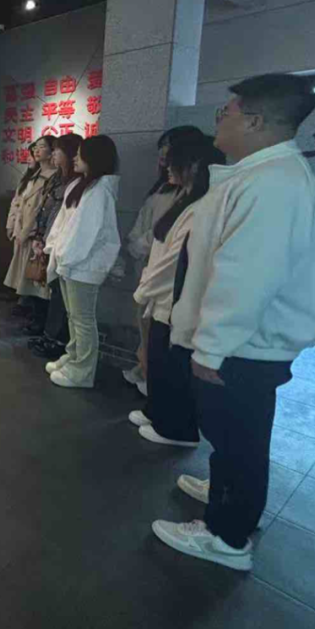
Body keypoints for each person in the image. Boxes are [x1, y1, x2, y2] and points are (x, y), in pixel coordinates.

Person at [152, 75, 315, 571]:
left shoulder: (272, 184)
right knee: (239, 436)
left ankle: (225, 536)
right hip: (244, 343)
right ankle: (229, 493)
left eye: (226, 112)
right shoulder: (264, 175)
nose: (220, 120)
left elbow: (246, 278)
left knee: (239, 437)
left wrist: (211, 348)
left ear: (254, 121)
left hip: (241, 346)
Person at [130, 136, 225, 446]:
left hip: (172, 299)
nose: (166, 166)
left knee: (173, 366)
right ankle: (158, 412)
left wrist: (144, 289)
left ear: (194, 166)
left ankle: (177, 429)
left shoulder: (201, 207)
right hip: (160, 297)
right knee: (159, 362)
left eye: (173, 161)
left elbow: (174, 262)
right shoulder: (183, 198)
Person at [122, 126, 204, 395]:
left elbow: (167, 242)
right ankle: (145, 374)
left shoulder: (195, 201)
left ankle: (152, 385)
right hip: (148, 270)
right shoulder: (166, 188)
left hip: (163, 283)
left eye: (170, 148)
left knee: (159, 340)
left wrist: (140, 245)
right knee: (148, 335)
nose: (164, 156)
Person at [42, 134, 121, 388]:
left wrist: (64, 255)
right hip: (69, 263)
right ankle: (74, 357)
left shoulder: (99, 192)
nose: (75, 157)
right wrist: (54, 250)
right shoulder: (83, 185)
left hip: (82, 266)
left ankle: (83, 370)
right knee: (74, 317)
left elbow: (86, 233)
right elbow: (63, 223)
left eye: (80, 153)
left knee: (83, 320)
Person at [28, 133, 83, 360]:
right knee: (54, 291)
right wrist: (39, 236)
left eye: (57, 150)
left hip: (62, 246)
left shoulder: (77, 183)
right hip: (49, 239)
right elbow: (46, 209)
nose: (53, 154)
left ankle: (57, 340)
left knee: (62, 298)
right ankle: (50, 335)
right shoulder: (58, 178)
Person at [4, 139, 55, 319]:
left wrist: (28, 232)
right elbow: (17, 202)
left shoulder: (53, 177)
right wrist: (12, 225)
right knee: (25, 273)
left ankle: (35, 313)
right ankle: (26, 305)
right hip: (23, 231)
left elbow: (41, 209)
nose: (36, 151)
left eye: (42, 147)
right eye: (35, 148)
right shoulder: (32, 176)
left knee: (35, 275)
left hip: (34, 234)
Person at [5, 142, 39, 317]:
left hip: (31, 232)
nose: (29, 158)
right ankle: (22, 299)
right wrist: (10, 224)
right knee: (19, 267)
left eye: (32, 155)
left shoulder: (45, 179)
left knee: (30, 268)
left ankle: (27, 301)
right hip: (20, 229)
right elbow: (16, 203)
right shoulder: (27, 178)